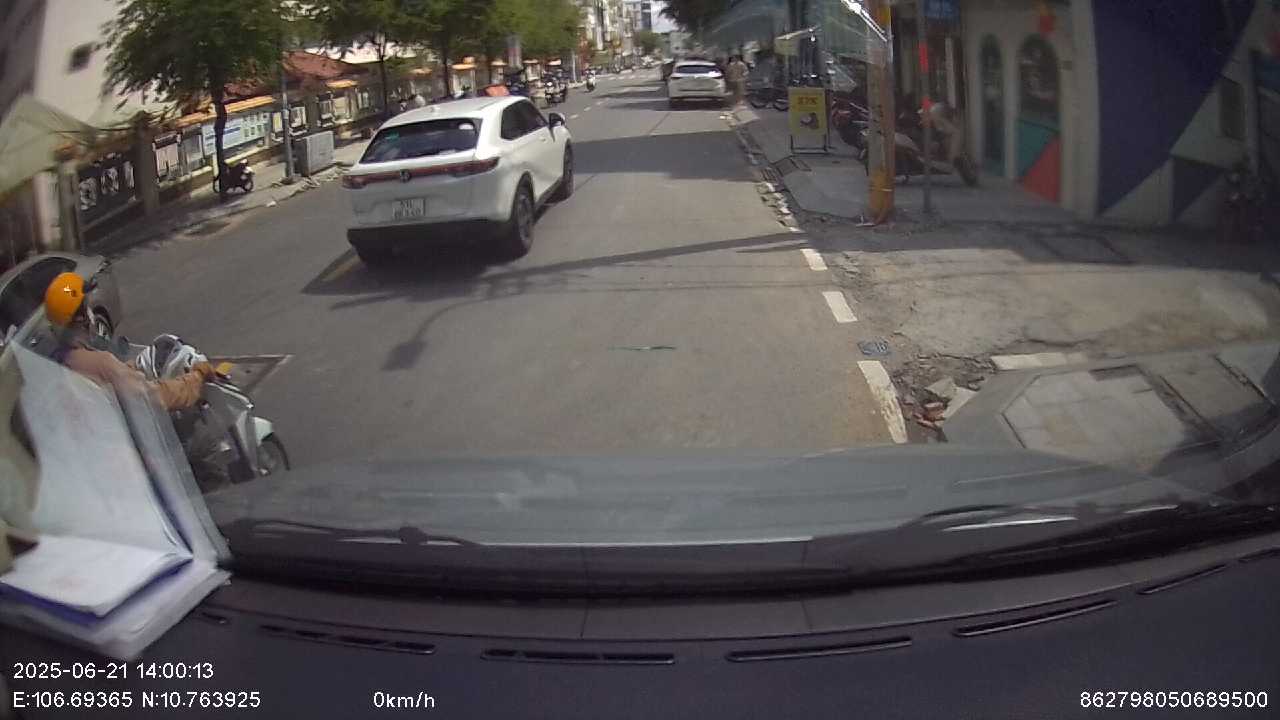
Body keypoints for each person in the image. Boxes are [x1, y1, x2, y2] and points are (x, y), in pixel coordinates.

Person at [43, 272, 215, 410]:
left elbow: (111, 382)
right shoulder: (102, 364)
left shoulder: (54, 361)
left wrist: (131, 369)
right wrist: (197, 377)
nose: (91, 312)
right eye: (87, 306)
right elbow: (155, 398)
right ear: (82, 318)